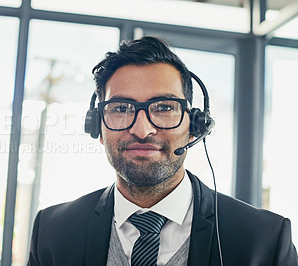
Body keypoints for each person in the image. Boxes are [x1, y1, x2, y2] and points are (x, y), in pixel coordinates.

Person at [27, 36, 298, 265]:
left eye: (164, 108)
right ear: (98, 127)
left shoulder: (265, 241)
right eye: (121, 109)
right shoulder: (52, 233)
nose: (142, 130)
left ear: (195, 126)